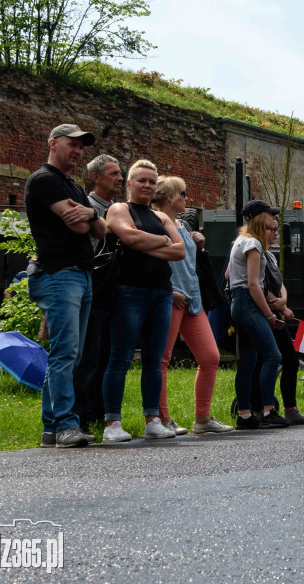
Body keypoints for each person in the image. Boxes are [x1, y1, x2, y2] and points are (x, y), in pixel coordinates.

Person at [24, 124, 106, 448]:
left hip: (80, 275)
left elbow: (100, 230)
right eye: (71, 144)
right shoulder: (44, 180)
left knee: (70, 353)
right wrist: (91, 215)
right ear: (53, 143)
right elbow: (80, 225)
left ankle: (51, 428)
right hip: (59, 275)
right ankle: (66, 425)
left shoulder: (72, 186)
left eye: (81, 147)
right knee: (65, 352)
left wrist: (89, 213)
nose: (77, 151)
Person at [101, 159, 186, 443]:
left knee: (153, 359)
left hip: (161, 292)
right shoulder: (118, 209)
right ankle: (112, 422)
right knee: (120, 358)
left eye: (152, 181)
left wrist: (145, 243)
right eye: (141, 181)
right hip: (129, 290)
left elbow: (180, 251)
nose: (147, 186)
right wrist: (162, 243)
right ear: (128, 184)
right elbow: (126, 235)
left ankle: (152, 419)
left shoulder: (161, 217)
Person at [153, 176, 233, 435]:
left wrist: (197, 243)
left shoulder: (182, 224)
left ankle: (202, 418)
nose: (187, 198)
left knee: (210, 357)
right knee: (162, 360)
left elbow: (188, 260)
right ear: (170, 198)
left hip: (193, 299)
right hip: (172, 297)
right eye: (183, 193)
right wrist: (169, 291)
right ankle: (163, 420)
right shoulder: (155, 222)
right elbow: (154, 261)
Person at [72, 154, 124, 430]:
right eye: (113, 173)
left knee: (107, 353)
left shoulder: (119, 208)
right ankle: (80, 415)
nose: (120, 178)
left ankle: (99, 411)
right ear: (96, 177)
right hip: (91, 285)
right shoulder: (86, 206)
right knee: (88, 354)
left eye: (120, 173)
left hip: (113, 290)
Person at [229, 200, 289, 429]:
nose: (274, 220)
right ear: (258, 218)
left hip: (238, 302)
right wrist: (270, 316)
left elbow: (228, 275)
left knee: (248, 361)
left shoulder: (239, 242)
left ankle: (244, 415)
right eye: (269, 216)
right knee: (273, 356)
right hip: (249, 303)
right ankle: (267, 411)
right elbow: (254, 285)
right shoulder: (253, 243)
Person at [254, 218, 304, 425]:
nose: (275, 233)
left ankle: (290, 409)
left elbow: (279, 286)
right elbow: (262, 288)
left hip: (275, 315)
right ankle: (259, 409)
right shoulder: (255, 253)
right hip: (262, 315)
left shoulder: (270, 256)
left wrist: (283, 302)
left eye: (276, 230)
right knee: (263, 361)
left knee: (289, 359)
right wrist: (279, 305)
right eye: (271, 230)